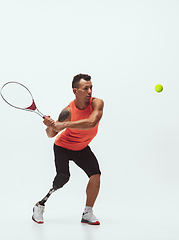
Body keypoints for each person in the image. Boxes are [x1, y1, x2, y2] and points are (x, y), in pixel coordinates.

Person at [32, 73, 104, 225]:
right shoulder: (67, 112)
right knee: (63, 178)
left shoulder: (97, 103)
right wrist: (50, 126)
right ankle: (40, 205)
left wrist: (64, 125)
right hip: (63, 147)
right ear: (75, 91)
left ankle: (87, 212)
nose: (90, 91)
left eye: (91, 87)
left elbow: (91, 123)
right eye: (85, 88)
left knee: (95, 176)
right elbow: (51, 134)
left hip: (82, 148)